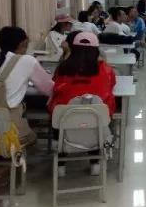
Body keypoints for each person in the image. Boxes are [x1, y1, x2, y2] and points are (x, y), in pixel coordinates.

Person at [48, 32, 116, 177]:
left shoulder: (62, 68)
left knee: (61, 116)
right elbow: (111, 87)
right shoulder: (106, 70)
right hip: (97, 123)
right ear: (96, 50)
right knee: (94, 118)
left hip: (64, 124)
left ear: (73, 48)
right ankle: (95, 163)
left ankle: (61, 165)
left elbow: (55, 87)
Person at [0, 26, 54, 146]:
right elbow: (49, 89)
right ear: (23, 43)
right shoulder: (28, 60)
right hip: (7, 129)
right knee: (31, 137)